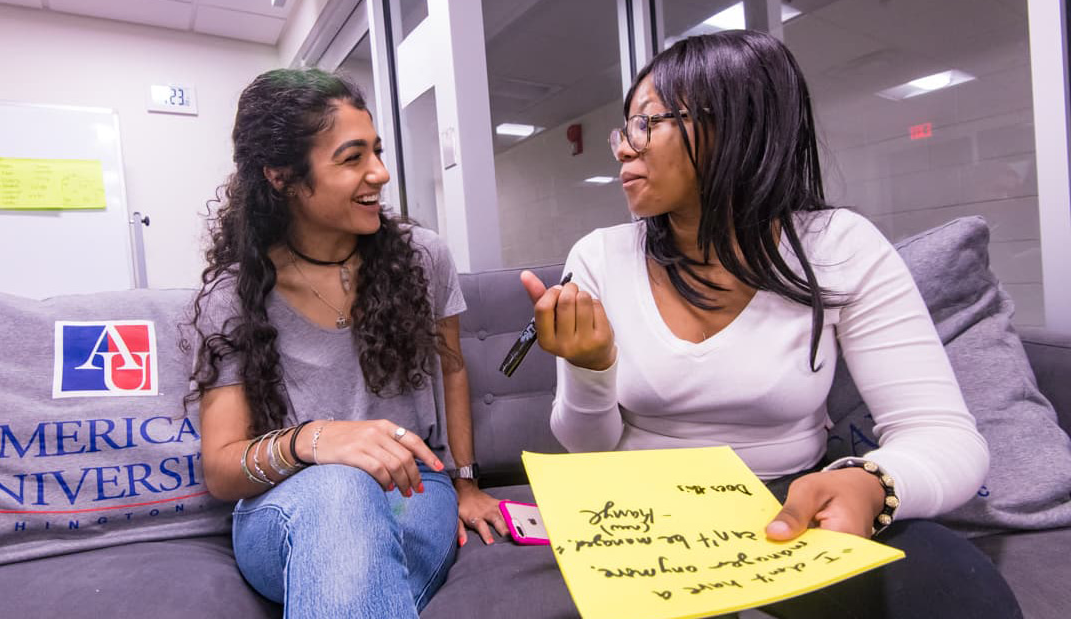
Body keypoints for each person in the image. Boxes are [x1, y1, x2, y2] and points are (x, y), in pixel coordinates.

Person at [520, 30, 1023, 618]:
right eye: (623, 129)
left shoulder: (837, 245)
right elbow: (589, 445)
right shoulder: (600, 257)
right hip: (644, 515)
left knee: (957, 589)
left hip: (790, 500)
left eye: (644, 123)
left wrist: (873, 483)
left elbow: (946, 436)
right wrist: (591, 368)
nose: (623, 149)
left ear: (732, 126)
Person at [187, 68, 504, 619]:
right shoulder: (233, 294)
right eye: (352, 157)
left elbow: (452, 369)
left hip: (413, 488)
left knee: (357, 562)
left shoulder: (423, 258)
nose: (380, 173)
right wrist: (312, 441)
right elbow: (221, 469)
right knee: (339, 492)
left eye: (377, 152)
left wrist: (466, 480)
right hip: (287, 500)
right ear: (282, 176)